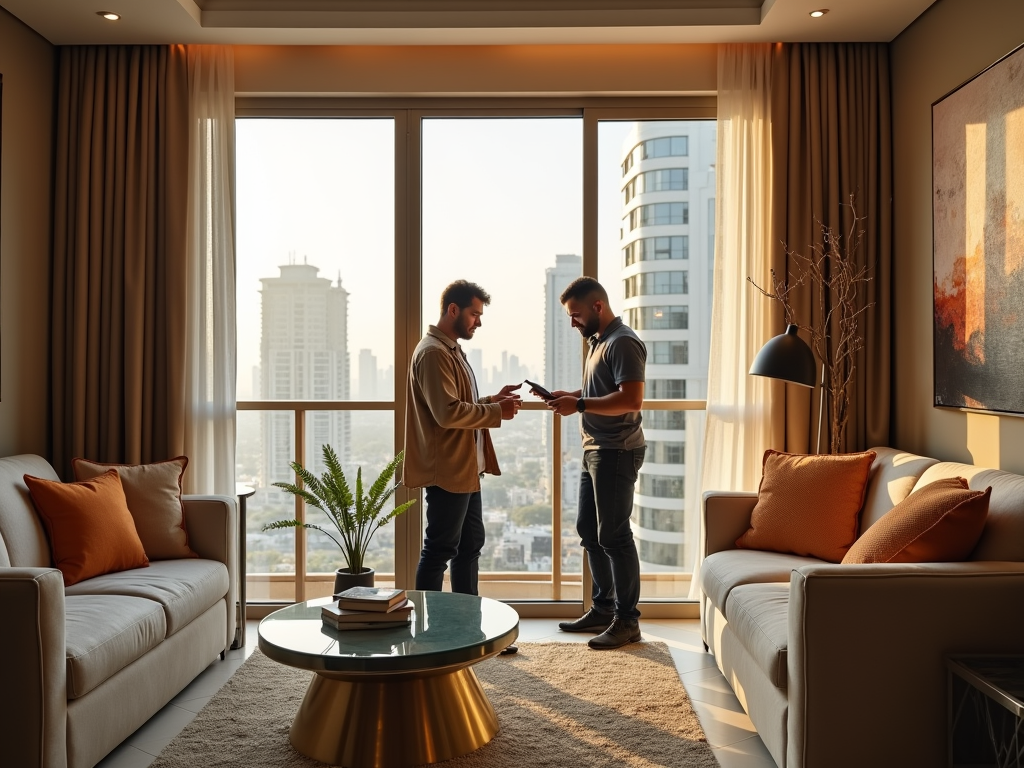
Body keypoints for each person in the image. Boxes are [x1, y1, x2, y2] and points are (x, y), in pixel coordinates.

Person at [536, 276, 647, 650]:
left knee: (614, 535)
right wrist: (575, 395)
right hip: (595, 448)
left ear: (597, 307)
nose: (573, 323)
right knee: (589, 530)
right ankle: (602, 608)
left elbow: (631, 399)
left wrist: (580, 405)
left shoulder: (623, 342)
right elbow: (607, 388)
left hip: (616, 449)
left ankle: (627, 620)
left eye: (576, 315)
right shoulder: (599, 342)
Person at [403, 279, 522, 599]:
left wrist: (492, 400)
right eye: (474, 314)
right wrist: (497, 411)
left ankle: (467, 629)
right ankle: (425, 632)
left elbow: (458, 405)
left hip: (466, 470)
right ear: (453, 309)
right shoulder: (433, 353)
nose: (478, 321)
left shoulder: (451, 350)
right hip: (448, 471)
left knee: (469, 548)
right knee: (440, 550)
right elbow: (447, 414)